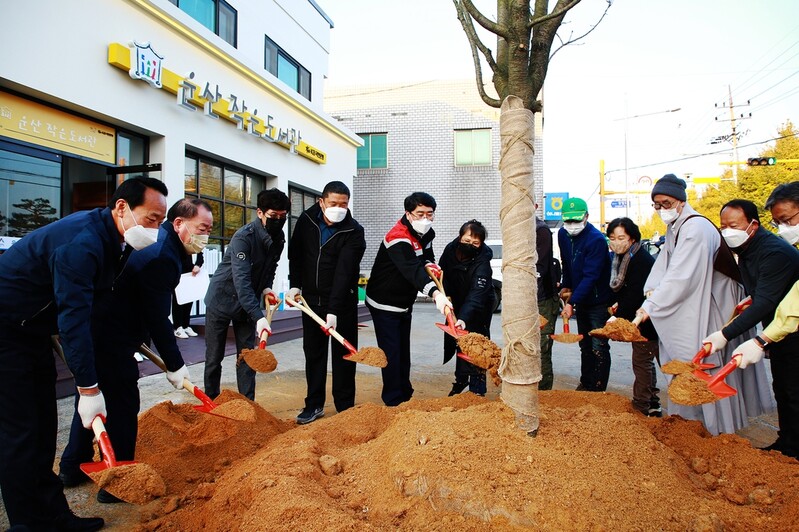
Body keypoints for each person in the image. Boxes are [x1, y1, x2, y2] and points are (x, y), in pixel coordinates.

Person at [0, 176, 169, 531]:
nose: (155, 229)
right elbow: (74, 318)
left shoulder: (116, 241)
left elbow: (98, 305)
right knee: (22, 431)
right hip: (6, 329)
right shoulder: (83, 242)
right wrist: (89, 388)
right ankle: (27, 524)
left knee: (44, 425)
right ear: (122, 207)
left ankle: (53, 516)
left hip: (31, 329)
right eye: (151, 218)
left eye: (160, 221)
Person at [58, 198, 211, 502]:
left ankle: (71, 468)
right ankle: (117, 485)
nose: (205, 236)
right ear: (179, 224)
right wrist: (175, 363)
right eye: (202, 228)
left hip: (103, 332)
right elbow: (158, 318)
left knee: (93, 402)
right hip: (110, 337)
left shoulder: (164, 247)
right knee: (124, 405)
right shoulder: (163, 257)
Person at [638, 174, 774, 435]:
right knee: (692, 361)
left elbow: (683, 275)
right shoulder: (675, 226)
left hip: (714, 303)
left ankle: (715, 430)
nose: (661, 209)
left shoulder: (696, 227)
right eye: (656, 205)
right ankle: (690, 427)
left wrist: (652, 305)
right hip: (696, 299)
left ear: (680, 200)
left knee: (704, 359)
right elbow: (665, 266)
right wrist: (651, 294)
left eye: (665, 203)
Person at [724, 186, 799, 458]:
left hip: (789, 331)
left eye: (789, 220)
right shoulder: (748, 249)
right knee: (784, 389)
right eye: (778, 222)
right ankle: (788, 444)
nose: (784, 228)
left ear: (751, 225)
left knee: (792, 390)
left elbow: (777, 303)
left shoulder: (775, 252)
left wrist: (731, 335)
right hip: (780, 330)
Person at [287, 181, 366, 424]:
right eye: (333, 203)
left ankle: (344, 406)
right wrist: (295, 284)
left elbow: (345, 272)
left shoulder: (354, 231)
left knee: (344, 355)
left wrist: (334, 310)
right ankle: (314, 405)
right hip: (311, 301)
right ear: (321, 202)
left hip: (342, 302)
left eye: (344, 204)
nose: (339, 208)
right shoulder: (307, 220)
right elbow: (297, 254)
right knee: (314, 353)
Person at [365, 192, 452, 406]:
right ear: (408, 213)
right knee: (392, 353)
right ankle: (394, 401)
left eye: (429, 214)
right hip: (384, 301)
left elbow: (425, 258)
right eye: (419, 214)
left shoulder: (426, 233)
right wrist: (435, 293)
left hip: (404, 301)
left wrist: (431, 265)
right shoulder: (397, 237)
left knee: (403, 350)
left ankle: (405, 392)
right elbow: (411, 269)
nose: (425, 219)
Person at [204, 188, 289, 401]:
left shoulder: (279, 238)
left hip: (246, 304)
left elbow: (271, 267)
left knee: (247, 356)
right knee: (214, 357)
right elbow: (241, 281)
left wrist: (267, 288)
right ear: (260, 213)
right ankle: (211, 401)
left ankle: (247, 402)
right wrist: (259, 316)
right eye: (273, 216)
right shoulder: (243, 237)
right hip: (222, 300)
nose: (278, 220)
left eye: (282, 216)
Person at [606, 217, 661, 416]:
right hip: (638, 317)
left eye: (621, 237)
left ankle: (641, 407)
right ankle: (653, 402)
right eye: (612, 237)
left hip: (648, 320)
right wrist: (618, 304)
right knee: (645, 361)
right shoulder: (621, 258)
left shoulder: (641, 260)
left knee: (642, 363)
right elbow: (625, 290)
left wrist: (618, 318)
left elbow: (636, 292)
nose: (616, 241)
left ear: (632, 238)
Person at [557, 197, 612, 391]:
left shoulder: (596, 240)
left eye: (576, 221)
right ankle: (586, 383)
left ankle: (598, 388)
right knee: (585, 345)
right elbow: (567, 263)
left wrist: (572, 302)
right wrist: (566, 285)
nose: (572, 225)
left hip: (597, 299)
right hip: (580, 298)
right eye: (568, 221)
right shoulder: (563, 235)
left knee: (598, 345)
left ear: (587, 217)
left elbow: (591, 276)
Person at [440, 220, 495, 396]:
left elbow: (477, 294)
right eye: (466, 241)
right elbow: (442, 273)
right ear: (459, 236)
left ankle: (478, 389)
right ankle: (461, 380)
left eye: (475, 243)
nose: (470, 245)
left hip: (480, 305)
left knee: (477, 343)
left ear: (481, 244)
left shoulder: (482, 261)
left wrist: (463, 318)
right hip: (456, 300)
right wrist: (444, 295)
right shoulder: (450, 249)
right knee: (459, 343)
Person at [536, 208, 560, 391]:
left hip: (542, 298)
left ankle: (543, 391)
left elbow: (540, 267)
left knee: (541, 347)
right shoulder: (517, 226)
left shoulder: (540, 230)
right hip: (526, 300)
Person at [173, 246, 204, 339]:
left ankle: (186, 325)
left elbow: (200, 256)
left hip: (191, 277)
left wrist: (198, 265)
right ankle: (178, 327)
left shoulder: (197, 246)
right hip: (179, 276)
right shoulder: (180, 246)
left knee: (189, 300)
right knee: (178, 301)